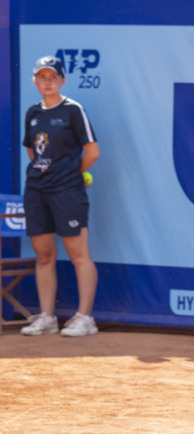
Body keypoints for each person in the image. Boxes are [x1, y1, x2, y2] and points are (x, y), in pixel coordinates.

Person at [21, 55, 100, 338]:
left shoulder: (73, 111)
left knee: (79, 255)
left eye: (52, 77)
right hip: (36, 191)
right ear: (35, 82)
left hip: (68, 192)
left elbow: (92, 152)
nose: (47, 82)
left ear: (62, 81)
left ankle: (85, 317)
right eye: (42, 77)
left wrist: (69, 173)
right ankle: (47, 317)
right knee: (43, 256)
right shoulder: (32, 113)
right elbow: (33, 153)